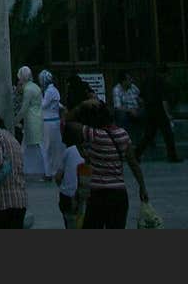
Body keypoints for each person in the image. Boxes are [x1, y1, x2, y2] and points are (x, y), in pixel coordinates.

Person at [68, 99, 149, 228]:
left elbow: (68, 122)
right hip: (119, 194)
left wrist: (81, 104)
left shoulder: (93, 135)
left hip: (97, 196)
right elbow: (133, 163)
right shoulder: (123, 134)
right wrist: (142, 187)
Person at [135, 64, 181, 163]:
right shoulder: (162, 82)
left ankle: (136, 154)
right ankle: (172, 156)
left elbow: (139, 98)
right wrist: (168, 115)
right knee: (168, 134)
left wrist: (145, 105)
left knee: (148, 135)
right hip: (160, 111)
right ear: (165, 73)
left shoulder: (147, 80)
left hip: (149, 110)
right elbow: (164, 100)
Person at [14, 66, 45, 179]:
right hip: (37, 118)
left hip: (31, 120)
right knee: (32, 145)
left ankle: (23, 169)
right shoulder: (35, 87)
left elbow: (24, 109)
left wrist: (14, 121)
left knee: (31, 145)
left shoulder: (28, 89)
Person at [54, 123, 86, 228]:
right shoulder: (87, 153)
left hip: (67, 196)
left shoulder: (68, 151)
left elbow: (58, 177)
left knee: (69, 223)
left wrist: (63, 185)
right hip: (82, 196)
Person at [39, 69, 64, 181]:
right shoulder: (55, 90)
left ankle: (48, 173)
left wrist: (39, 97)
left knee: (46, 148)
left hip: (48, 122)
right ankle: (56, 171)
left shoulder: (48, 92)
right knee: (56, 148)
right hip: (55, 120)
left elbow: (43, 105)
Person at [112, 70, 143, 147]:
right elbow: (117, 107)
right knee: (121, 115)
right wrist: (130, 110)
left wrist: (141, 101)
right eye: (129, 79)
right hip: (125, 111)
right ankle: (124, 142)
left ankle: (143, 141)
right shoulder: (117, 89)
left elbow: (140, 97)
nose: (131, 81)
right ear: (123, 81)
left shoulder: (133, 87)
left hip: (136, 109)